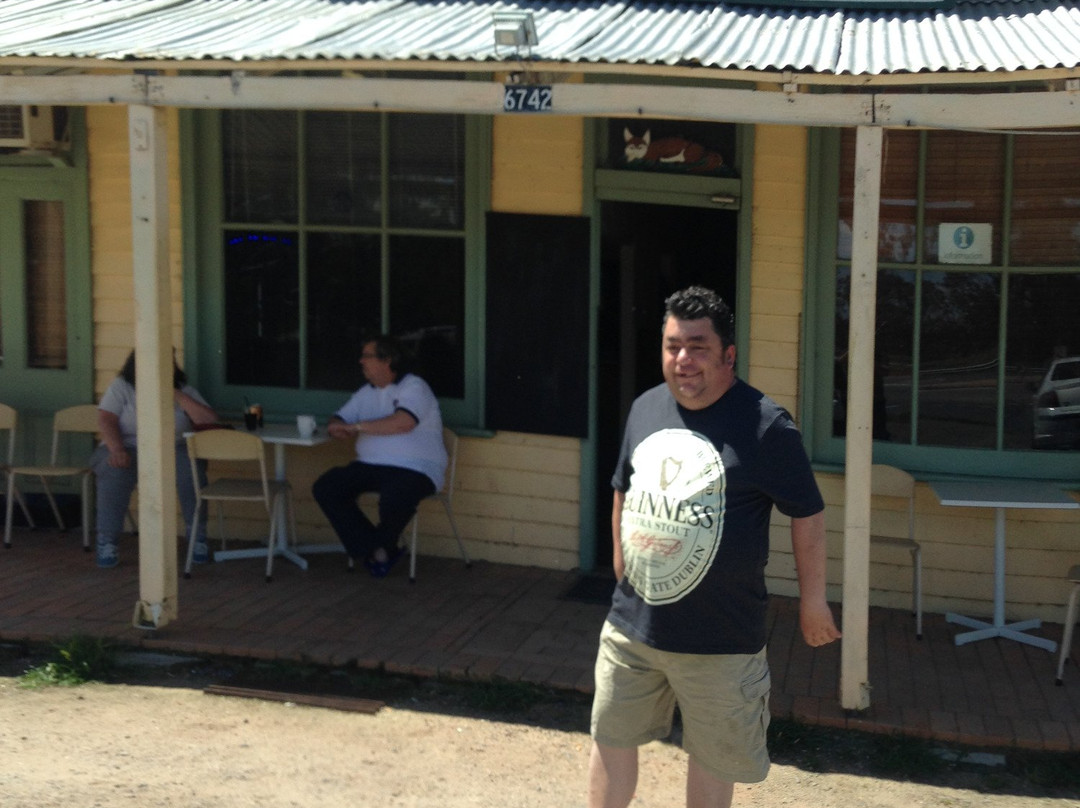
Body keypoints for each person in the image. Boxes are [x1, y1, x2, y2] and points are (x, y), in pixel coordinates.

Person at [588, 286, 841, 808]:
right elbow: (621, 485)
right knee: (610, 739)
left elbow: (807, 513)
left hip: (720, 641)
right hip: (632, 628)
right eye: (672, 345)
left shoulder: (767, 426)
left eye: (698, 346)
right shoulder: (645, 408)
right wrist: (620, 561)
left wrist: (813, 600)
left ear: (728, 355)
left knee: (711, 763)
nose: (682, 359)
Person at [312, 334, 447, 578]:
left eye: (367, 356)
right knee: (327, 486)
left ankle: (379, 548)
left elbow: (403, 422)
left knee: (396, 494)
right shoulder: (367, 392)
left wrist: (358, 428)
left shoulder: (414, 387)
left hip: (417, 467)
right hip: (370, 465)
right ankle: (376, 548)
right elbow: (339, 417)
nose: (361, 362)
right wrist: (337, 427)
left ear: (387, 360)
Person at [91, 350, 220, 569]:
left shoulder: (184, 390)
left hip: (175, 446)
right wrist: (117, 449)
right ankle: (107, 541)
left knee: (191, 474)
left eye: (165, 363)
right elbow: (106, 420)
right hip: (128, 445)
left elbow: (210, 420)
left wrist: (175, 394)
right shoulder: (122, 386)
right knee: (115, 471)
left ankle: (197, 538)